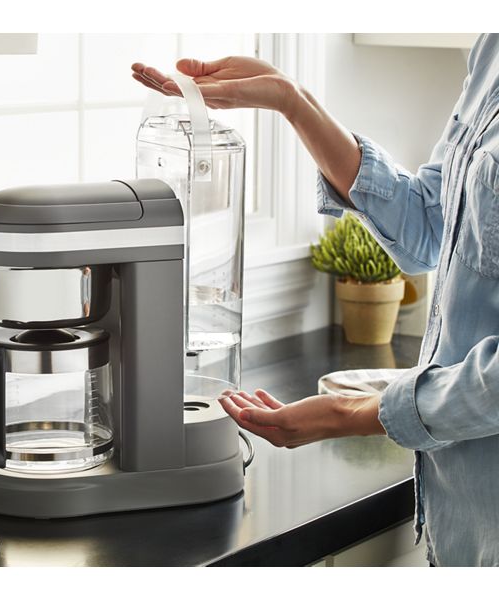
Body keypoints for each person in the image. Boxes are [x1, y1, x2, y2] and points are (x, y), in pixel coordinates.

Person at [132, 33, 499, 567]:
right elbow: (427, 227)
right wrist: (292, 100)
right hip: (457, 516)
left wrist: (350, 413)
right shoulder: (491, 49)